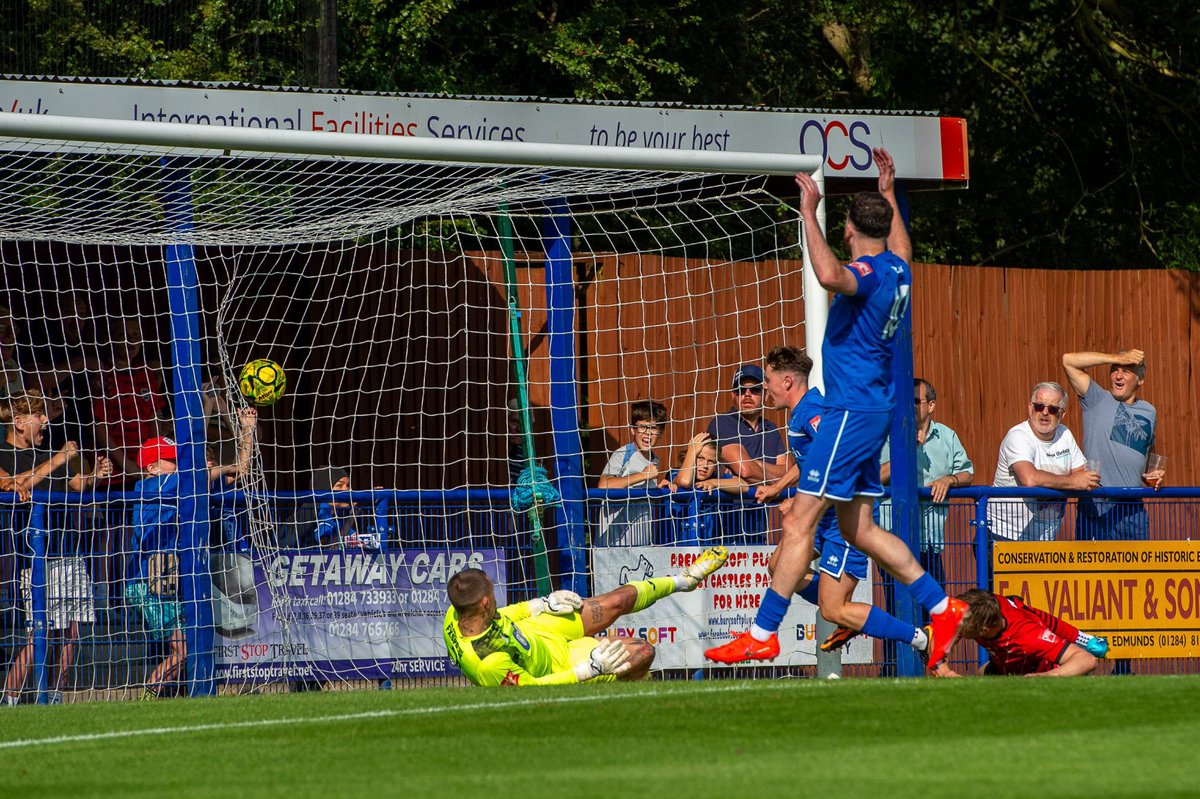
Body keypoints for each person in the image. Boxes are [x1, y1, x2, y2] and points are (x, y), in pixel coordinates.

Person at [703, 148, 966, 670]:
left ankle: (762, 633)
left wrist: (807, 212)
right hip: (871, 411)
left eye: (843, 227)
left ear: (848, 230)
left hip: (850, 410)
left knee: (799, 521)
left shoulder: (866, 272)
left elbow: (828, 275)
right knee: (859, 529)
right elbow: (902, 246)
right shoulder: (897, 268)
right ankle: (942, 607)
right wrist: (888, 195)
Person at [743, 346, 931, 659]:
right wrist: (778, 486)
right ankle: (846, 613)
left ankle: (920, 639)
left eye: (767, 380)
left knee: (832, 609)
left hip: (844, 522)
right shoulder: (802, 413)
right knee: (778, 567)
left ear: (787, 382)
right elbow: (810, 459)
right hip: (823, 519)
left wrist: (800, 503)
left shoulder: (812, 412)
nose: (765, 388)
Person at [444, 546, 728, 686]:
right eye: (492, 594)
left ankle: (684, 580)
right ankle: (632, 687)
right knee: (642, 652)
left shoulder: (455, 612)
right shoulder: (488, 664)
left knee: (617, 601)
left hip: (538, 629)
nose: (496, 597)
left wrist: (542, 604)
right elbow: (533, 688)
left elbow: (508, 613)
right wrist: (588, 670)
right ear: (484, 603)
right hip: (557, 664)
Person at [0, 390, 113, 705]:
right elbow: (10, 484)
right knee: (40, 630)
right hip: (34, 557)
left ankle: (55, 696)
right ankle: (10, 697)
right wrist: (59, 459)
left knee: (71, 631)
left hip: (68, 550)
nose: (46, 422)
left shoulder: (49, 454)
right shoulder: (3, 454)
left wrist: (96, 475)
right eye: (39, 416)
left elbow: (78, 485)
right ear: (19, 422)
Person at [879, 378, 974, 587]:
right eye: (904, 400)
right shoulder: (888, 435)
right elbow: (877, 477)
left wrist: (950, 480)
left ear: (931, 405)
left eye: (915, 401)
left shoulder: (947, 436)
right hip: (894, 539)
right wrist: (907, 450)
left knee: (935, 603)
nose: (909, 406)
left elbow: (967, 473)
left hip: (931, 540)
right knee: (898, 603)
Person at [1061, 349, 1160, 540]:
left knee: (1138, 561)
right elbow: (1068, 361)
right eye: (1114, 369)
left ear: (1140, 380)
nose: (1118, 375)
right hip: (1097, 505)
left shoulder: (1149, 411)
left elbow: (1148, 456)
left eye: (1126, 371)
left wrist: (1154, 474)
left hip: (1133, 510)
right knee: (1093, 561)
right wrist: (1115, 358)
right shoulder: (1096, 398)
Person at [989, 381, 1098, 542]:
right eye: (1039, 406)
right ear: (1030, 408)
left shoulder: (1065, 434)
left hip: (1045, 538)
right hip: (1005, 534)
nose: (1045, 412)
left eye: (1052, 409)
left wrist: (1055, 483)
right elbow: (1030, 479)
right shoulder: (1018, 436)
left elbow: (1082, 474)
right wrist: (1071, 482)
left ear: (1062, 414)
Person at [126, 436, 188, 700]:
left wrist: (247, 433)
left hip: (168, 579)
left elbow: (238, 472)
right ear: (152, 468)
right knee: (182, 648)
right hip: (149, 583)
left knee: (183, 647)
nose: (179, 465)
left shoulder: (175, 482)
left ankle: (168, 696)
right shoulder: (155, 485)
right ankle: (148, 696)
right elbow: (201, 475)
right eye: (172, 460)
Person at [931, 589, 1108, 677]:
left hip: (1039, 671)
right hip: (1004, 664)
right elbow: (936, 638)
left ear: (983, 629)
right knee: (981, 676)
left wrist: (1046, 678)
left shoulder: (1028, 636)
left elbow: (1087, 660)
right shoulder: (982, 609)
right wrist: (945, 672)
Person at [706, 365, 787, 542]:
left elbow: (787, 474)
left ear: (765, 395)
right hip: (722, 528)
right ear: (733, 395)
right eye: (741, 390)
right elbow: (745, 470)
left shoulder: (771, 429)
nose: (747, 395)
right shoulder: (722, 423)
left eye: (754, 389)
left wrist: (754, 465)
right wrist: (772, 476)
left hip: (758, 526)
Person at [93, 318, 171, 484]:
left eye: (135, 335)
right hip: (113, 473)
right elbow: (99, 426)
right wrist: (127, 464)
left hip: (146, 468)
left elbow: (153, 417)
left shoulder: (145, 373)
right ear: (112, 339)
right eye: (123, 335)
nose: (130, 340)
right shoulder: (103, 374)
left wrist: (153, 457)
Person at [595, 400, 672, 547]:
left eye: (653, 428)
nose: (648, 433)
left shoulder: (654, 459)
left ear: (661, 433)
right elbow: (604, 485)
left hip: (641, 544)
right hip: (614, 546)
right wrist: (642, 475)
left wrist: (658, 491)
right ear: (633, 430)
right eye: (642, 427)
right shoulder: (623, 454)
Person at [670, 432, 749, 544]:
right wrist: (692, 451)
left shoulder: (715, 477)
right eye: (700, 458)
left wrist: (714, 482)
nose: (705, 465)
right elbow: (684, 481)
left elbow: (744, 486)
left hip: (708, 545)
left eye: (711, 461)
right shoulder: (676, 474)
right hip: (676, 546)